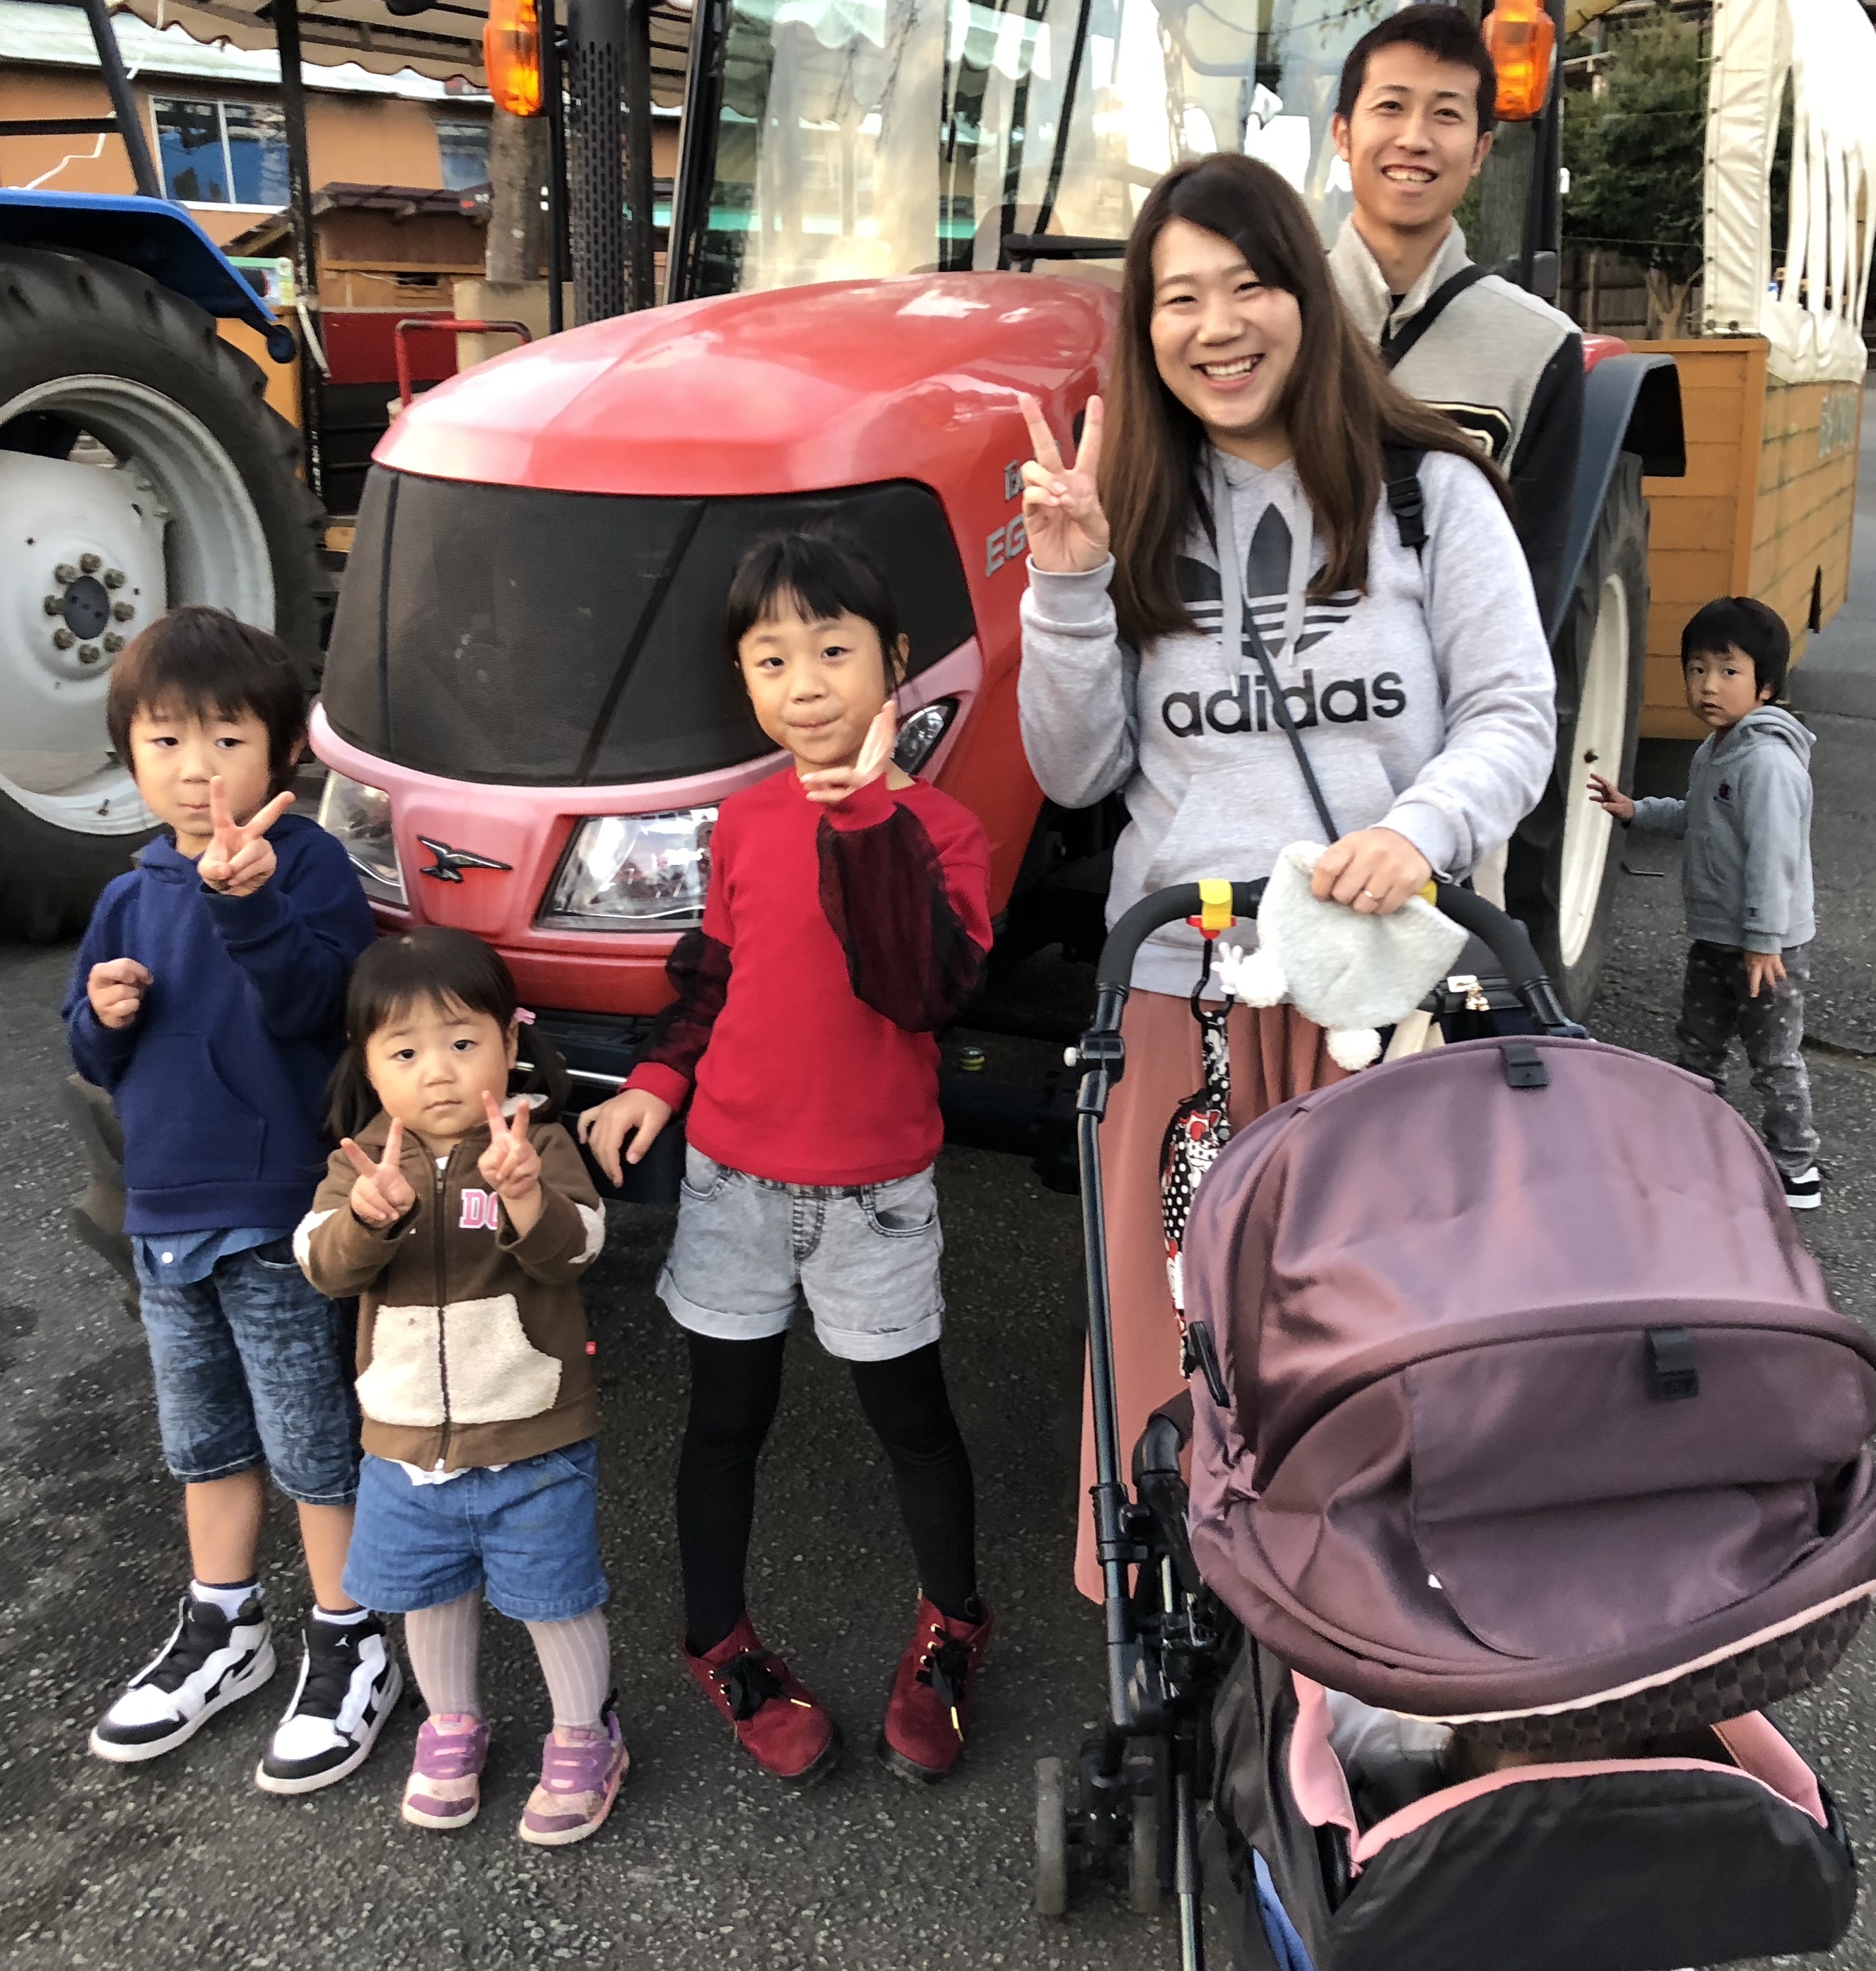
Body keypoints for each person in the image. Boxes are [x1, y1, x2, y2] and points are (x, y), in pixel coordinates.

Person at [1014, 151, 1557, 1591]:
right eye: (1177, 297)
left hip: (1377, 1004)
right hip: (1183, 995)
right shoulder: (1127, 507)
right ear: (1145, 330)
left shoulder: (1428, 494)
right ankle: (1191, 1626)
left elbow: (1513, 712)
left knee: (1383, 1350)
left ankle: (1376, 1637)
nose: (1215, 325)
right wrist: (1065, 581)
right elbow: (1074, 770)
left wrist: (1420, 828)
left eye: (1247, 283)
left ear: (1306, 297)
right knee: (1176, 1345)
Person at [578, 528, 994, 1789]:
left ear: (895, 660)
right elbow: (711, 977)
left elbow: (922, 988)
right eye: (771, 659)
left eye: (831, 650)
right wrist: (656, 1082)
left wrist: (863, 818)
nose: (804, 683)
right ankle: (719, 1642)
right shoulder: (744, 823)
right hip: (734, 1181)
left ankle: (953, 1628)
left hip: (875, 1193)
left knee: (912, 1420)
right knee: (725, 1420)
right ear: (744, 678)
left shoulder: (942, 831)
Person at [61, 605, 397, 1791]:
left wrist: (249, 905)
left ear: (284, 751)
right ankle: (224, 1620)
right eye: (165, 741)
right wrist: (100, 1014)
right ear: (129, 754)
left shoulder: (304, 863)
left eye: (225, 739)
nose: (196, 769)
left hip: (274, 1213)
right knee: (202, 1440)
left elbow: (325, 1007)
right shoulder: (129, 891)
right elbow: (90, 1052)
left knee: (313, 1440)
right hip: (163, 1216)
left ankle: (352, 1633)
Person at [298, 926, 622, 1844]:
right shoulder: (360, 1162)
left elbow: (579, 1249)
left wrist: (525, 1196)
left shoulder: (536, 1142)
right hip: (404, 1442)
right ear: (367, 1062)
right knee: (429, 1592)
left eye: (463, 1041)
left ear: (509, 1043)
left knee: (558, 1596)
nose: (437, 1071)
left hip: (532, 1433)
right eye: (404, 1051)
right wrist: (365, 1220)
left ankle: (584, 1733)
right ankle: (451, 1725)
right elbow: (321, 1265)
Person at [1327, 4, 1583, 629]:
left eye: (1446, 114)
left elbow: (1528, 587)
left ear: (1479, 151)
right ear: (1343, 135)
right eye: (1391, 106)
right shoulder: (1269, 316)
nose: (1415, 138)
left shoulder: (1539, 349)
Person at [1589, 597, 1820, 1209]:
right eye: (1696, 669)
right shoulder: (1716, 750)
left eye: (1728, 671)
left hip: (1767, 948)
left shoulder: (1768, 763)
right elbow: (1698, 817)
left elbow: (1775, 859)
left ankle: (1796, 1167)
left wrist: (1763, 942)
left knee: (1773, 1058)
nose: (1707, 686)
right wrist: (1635, 810)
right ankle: (1695, 1145)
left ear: (1766, 686)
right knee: (1697, 1046)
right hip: (1715, 936)